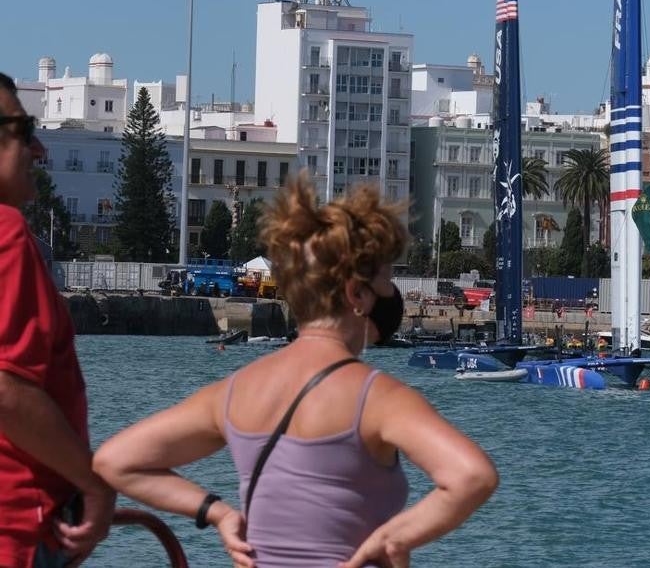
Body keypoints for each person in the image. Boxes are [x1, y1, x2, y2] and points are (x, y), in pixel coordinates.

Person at [94, 174, 498, 567]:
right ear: (356, 295)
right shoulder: (378, 398)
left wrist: (217, 513)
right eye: (388, 280)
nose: (393, 294)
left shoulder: (234, 392)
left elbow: (115, 461)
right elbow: (472, 476)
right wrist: (393, 537)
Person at [0, 73, 116, 568]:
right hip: (17, 531)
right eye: (24, 132)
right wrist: (93, 484)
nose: (41, 150)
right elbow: (6, 390)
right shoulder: (6, 233)